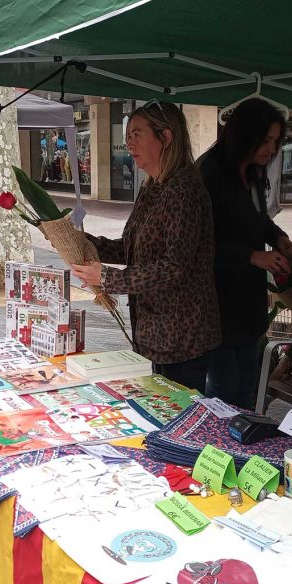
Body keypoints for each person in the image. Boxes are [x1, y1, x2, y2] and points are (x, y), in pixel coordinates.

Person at [71, 100, 221, 393]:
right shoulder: (152, 186)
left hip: (182, 335)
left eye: (137, 134)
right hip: (154, 332)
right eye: (127, 136)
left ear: (166, 137)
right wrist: (86, 244)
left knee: (178, 416)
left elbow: (174, 266)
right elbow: (132, 248)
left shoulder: (184, 190)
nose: (129, 144)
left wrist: (107, 278)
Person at [196, 98, 292, 408]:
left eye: (276, 141)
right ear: (245, 135)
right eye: (266, 139)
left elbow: (257, 218)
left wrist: (278, 238)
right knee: (226, 391)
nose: (271, 148)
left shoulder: (253, 172)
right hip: (217, 306)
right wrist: (251, 256)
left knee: (248, 388)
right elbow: (197, 243)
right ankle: (218, 451)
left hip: (248, 305)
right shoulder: (210, 171)